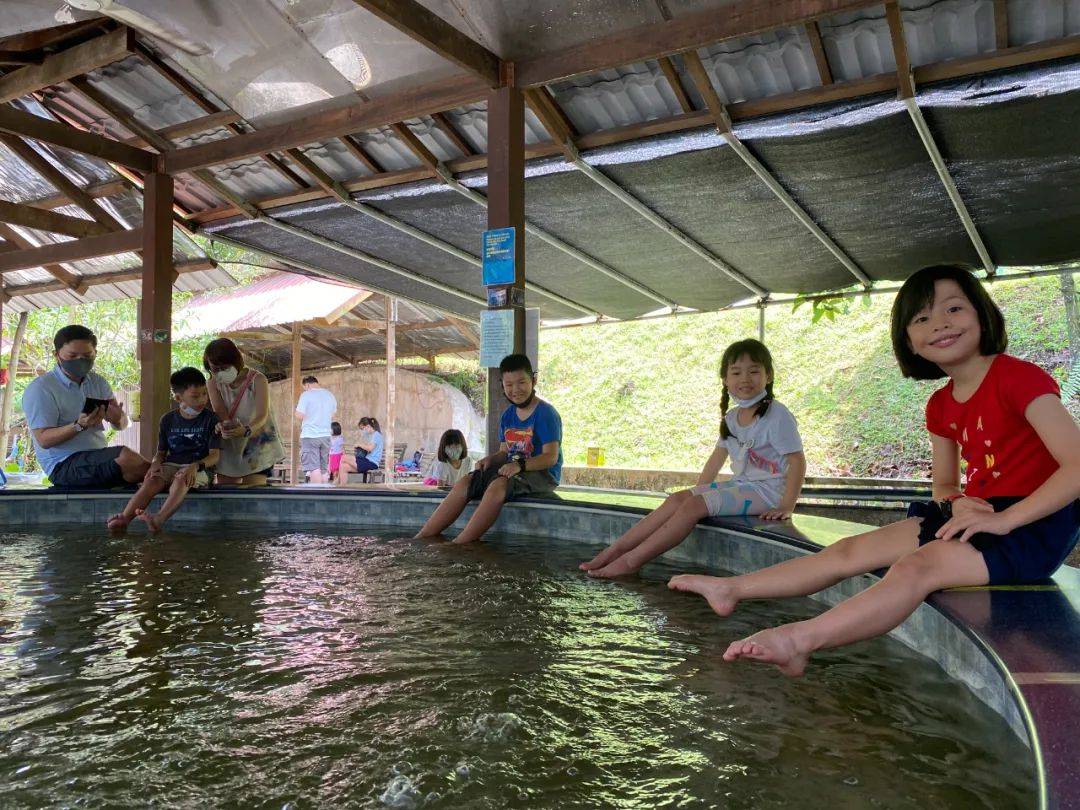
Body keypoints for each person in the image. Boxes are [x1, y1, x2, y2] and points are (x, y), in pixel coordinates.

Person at [669, 264, 1080, 677]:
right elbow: (944, 483)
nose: (939, 324)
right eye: (921, 318)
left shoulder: (1017, 377)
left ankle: (798, 641)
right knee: (848, 550)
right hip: (979, 514)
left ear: (983, 315)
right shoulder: (940, 405)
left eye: (953, 309)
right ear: (910, 342)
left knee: (917, 567)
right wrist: (956, 503)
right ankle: (731, 588)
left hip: (1033, 524)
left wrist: (1008, 519)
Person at [582, 339, 806, 578]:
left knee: (693, 506)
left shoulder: (776, 415)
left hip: (768, 493)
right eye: (736, 372)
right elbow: (716, 458)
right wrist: (699, 489)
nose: (745, 379)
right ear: (725, 380)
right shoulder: (732, 417)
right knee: (679, 498)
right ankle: (615, 550)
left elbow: (797, 461)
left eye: (754, 371)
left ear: (768, 376)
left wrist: (786, 506)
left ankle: (631, 562)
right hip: (746, 486)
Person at [415, 354, 562, 544]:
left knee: (498, 485)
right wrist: (490, 460)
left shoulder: (546, 413)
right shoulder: (508, 415)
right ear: (502, 385)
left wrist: (520, 466)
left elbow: (550, 457)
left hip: (542, 474)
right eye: (509, 385)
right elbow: (504, 452)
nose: (515, 390)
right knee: (467, 481)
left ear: (533, 380)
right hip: (514, 470)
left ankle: (459, 544)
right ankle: (424, 535)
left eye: (521, 382)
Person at [21, 324, 149, 488]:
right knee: (128, 458)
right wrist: (79, 426)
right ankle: (175, 482)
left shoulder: (98, 382)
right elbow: (43, 439)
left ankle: (173, 484)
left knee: (144, 475)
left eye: (87, 355)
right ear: (57, 355)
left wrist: (118, 419)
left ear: (95, 354)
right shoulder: (41, 388)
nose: (80, 360)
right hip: (63, 465)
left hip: (97, 458)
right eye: (72, 355)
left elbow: (122, 425)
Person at [107, 368, 220, 533]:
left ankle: (159, 519)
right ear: (179, 398)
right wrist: (155, 464)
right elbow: (161, 452)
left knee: (182, 478)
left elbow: (215, 455)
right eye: (195, 396)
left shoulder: (211, 419)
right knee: (152, 480)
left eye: (204, 394)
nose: (202, 399)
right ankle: (125, 518)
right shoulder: (167, 420)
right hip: (171, 464)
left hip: (200, 468)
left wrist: (194, 467)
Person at [203, 338, 284, 486]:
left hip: (256, 442)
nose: (220, 372)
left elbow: (261, 415)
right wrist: (226, 426)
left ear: (236, 361)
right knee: (226, 493)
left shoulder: (258, 379)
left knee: (253, 493)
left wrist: (246, 430)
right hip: (230, 444)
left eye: (225, 367)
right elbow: (220, 410)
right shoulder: (212, 383)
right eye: (215, 369)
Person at [295, 375, 337, 483]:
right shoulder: (330, 395)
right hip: (326, 436)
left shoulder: (306, 395)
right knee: (323, 469)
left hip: (311, 435)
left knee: (313, 468)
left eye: (304, 387)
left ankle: (317, 495)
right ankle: (325, 496)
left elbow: (299, 415)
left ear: (307, 385)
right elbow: (332, 415)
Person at [338, 417, 384, 481]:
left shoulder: (376, 435)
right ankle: (342, 488)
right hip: (366, 460)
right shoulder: (370, 435)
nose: (362, 431)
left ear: (367, 426)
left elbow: (370, 448)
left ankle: (336, 480)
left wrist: (360, 444)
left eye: (362, 429)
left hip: (372, 463)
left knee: (343, 457)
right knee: (343, 467)